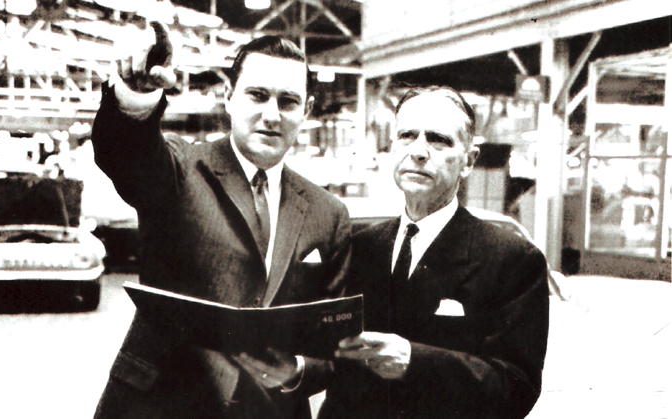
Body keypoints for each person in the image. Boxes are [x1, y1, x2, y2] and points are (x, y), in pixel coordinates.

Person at [92, 23, 351, 419]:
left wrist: (299, 368)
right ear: (229, 97)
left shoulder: (328, 213)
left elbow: (335, 338)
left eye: (288, 102)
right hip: (164, 407)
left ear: (307, 110)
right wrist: (135, 96)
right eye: (257, 95)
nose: (271, 115)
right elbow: (126, 152)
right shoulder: (180, 168)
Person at [318, 86, 550, 419]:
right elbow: (340, 381)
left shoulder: (512, 259)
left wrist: (415, 362)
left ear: (469, 161)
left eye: (438, 140)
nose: (418, 151)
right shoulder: (360, 247)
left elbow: (517, 387)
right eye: (406, 136)